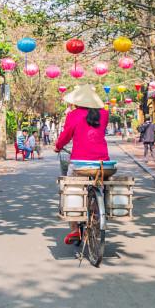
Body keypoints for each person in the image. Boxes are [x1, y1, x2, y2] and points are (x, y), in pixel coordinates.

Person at [54, 84, 109, 245]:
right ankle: (98, 213)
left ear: (77, 102)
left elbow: (65, 136)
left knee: (69, 191)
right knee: (99, 187)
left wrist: (57, 146)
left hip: (80, 163)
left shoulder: (73, 115)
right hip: (102, 163)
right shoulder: (104, 114)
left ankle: (74, 230)